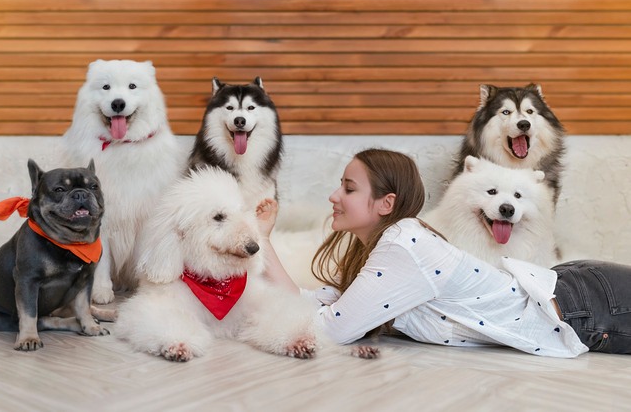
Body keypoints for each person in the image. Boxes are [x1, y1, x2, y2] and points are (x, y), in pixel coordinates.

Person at [257, 148, 631, 357]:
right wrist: (263, 239)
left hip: (584, 305)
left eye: (349, 188)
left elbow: (332, 328)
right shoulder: (385, 248)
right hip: (571, 290)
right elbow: (310, 303)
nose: (334, 196)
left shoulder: (402, 247)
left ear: (386, 203)